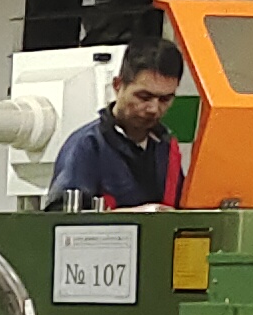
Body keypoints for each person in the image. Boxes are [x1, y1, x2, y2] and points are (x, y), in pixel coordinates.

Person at [47, 36, 187, 210]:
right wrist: (139, 215)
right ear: (117, 85)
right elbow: (58, 217)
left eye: (165, 99)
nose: (153, 108)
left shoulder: (166, 149)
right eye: (144, 97)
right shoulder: (87, 146)